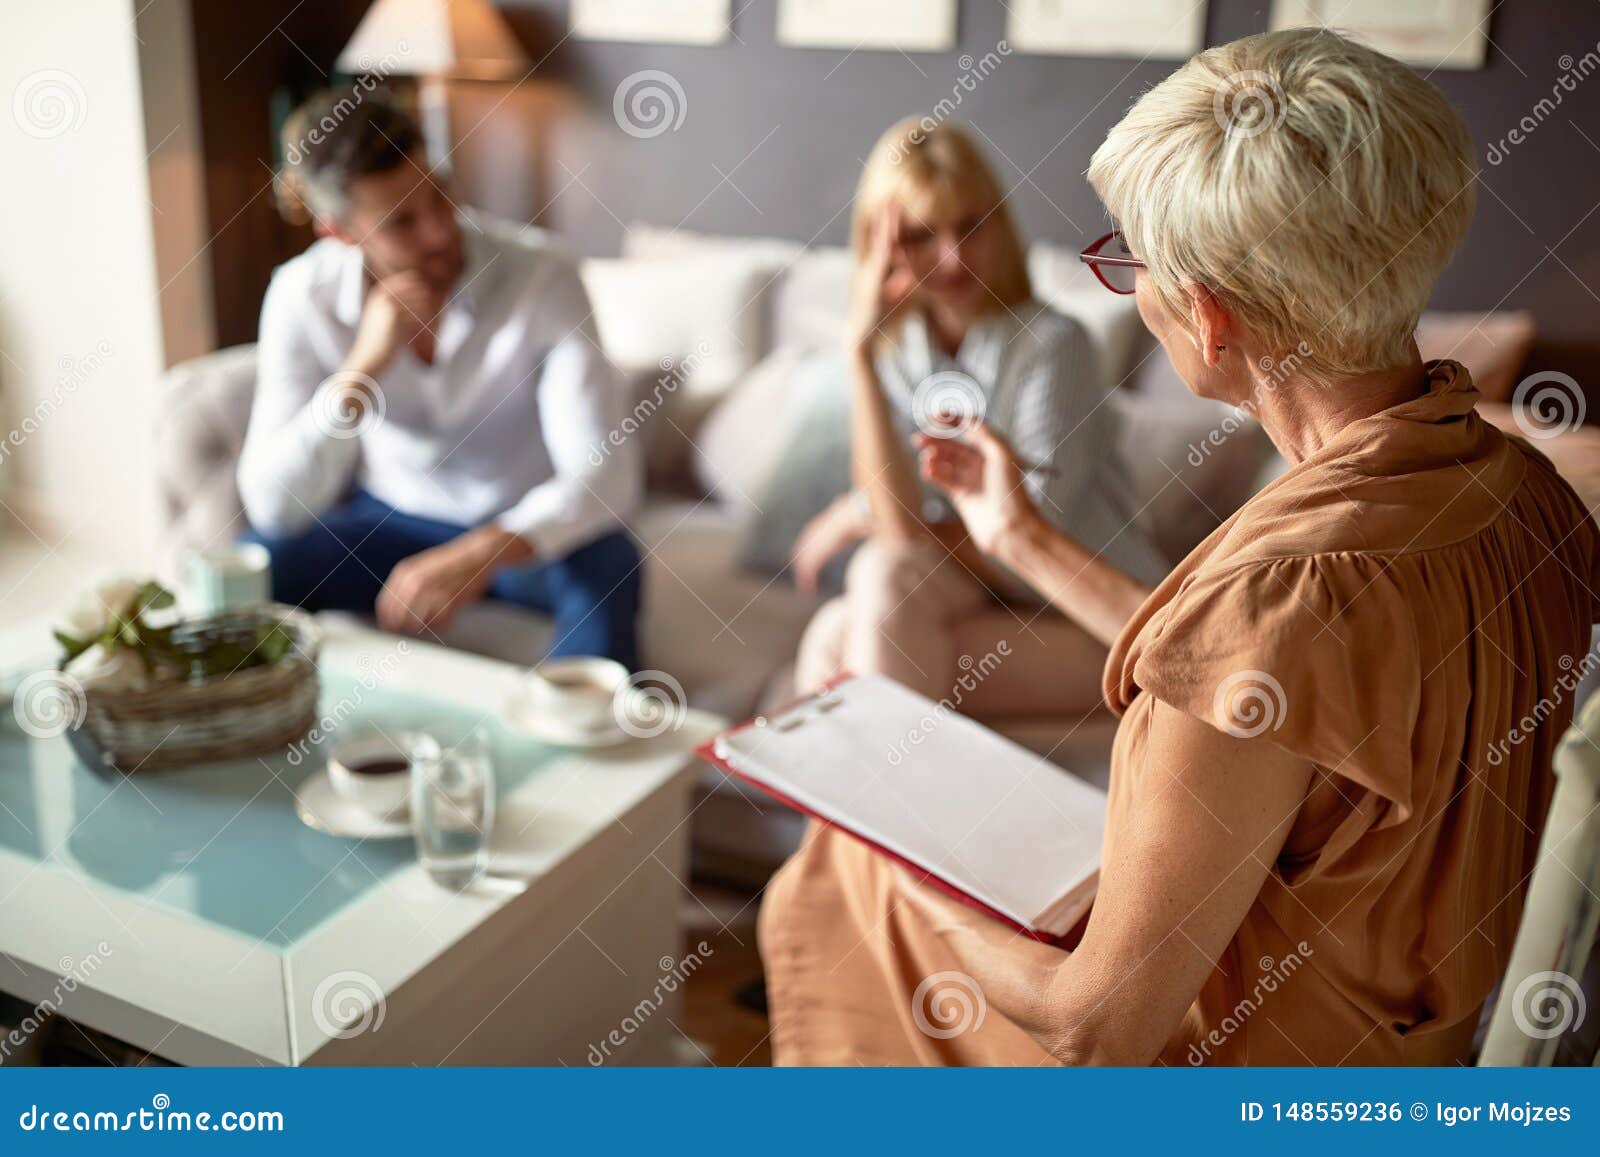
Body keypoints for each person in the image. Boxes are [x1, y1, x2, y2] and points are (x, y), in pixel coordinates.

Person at [758, 28, 1600, 1065]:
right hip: (1415, 1038)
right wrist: (1017, 532)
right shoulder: (1525, 495)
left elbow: (1088, 1032)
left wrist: (910, 865)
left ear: (1206, 317)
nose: (1128, 287)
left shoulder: (1281, 593)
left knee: (839, 876)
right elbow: (1251, 681)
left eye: (1127, 260)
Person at [237, 88, 642, 667]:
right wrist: (361, 369)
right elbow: (273, 507)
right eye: (402, 222)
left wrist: (476, 555)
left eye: (439, 193)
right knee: (253, 564)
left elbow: (608, 476)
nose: (439, 233)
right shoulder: (301, 297)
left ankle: (590, 747)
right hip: (390, 521)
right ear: (340, 233)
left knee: (610, 564)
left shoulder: (543, 276)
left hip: (518, 528)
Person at [789, 119, 1167, 717]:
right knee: (855, 607)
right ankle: (859, 810)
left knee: (857, 622)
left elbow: (1023, 539)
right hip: (982, 603)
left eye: (970, 226)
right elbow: (901, 532)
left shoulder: (1053, 344)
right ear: (880, 246)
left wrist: (859, 513)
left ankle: (857, 807)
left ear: (1000, 222)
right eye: (919, 234)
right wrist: (858, 353)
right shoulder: (898, 352)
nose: (954, 258)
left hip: (1089, 618)